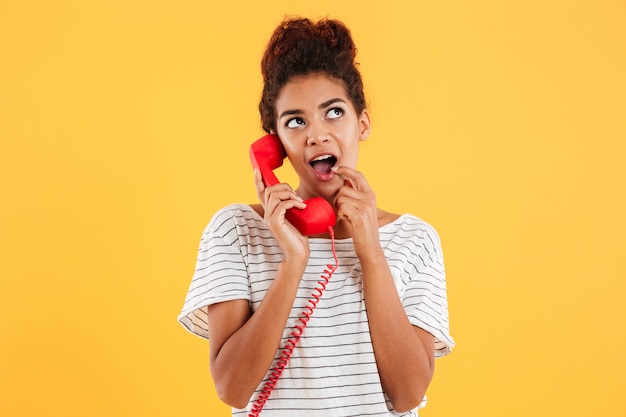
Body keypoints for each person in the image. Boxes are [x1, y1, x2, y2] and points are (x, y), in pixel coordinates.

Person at [178, 17, 454, 417]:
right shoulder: (237, 231)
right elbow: (232, 388)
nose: (316, 134)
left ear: (362, 124)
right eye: (295, 121)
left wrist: (372, 254)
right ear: (274, 142)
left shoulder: (414, 239)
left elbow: (408, 394)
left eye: (334, 113)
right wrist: (294, 263)